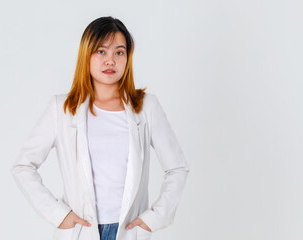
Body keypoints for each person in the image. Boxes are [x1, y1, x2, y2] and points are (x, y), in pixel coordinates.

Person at [11, 16, 190, 240]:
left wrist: (154, 219)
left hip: (129, 231)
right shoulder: (62, 108)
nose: (110, 61)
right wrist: (58, 214)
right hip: (82, 231)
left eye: (119, 52)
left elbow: (177, 168)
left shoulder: (146, 107)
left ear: (127, 58)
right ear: (87, 55)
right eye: (101, 51)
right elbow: (23, 166)